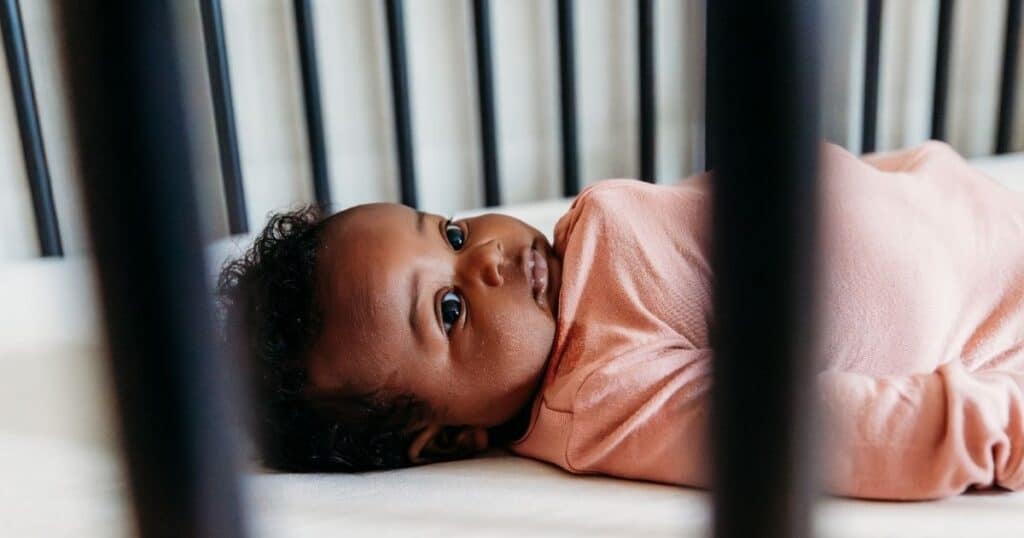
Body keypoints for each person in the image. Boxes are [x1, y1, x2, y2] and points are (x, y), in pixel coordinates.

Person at [218, 141, 1024, 500]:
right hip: (993, 323)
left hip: (948, 203)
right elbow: (796, 429)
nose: (489, 259)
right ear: (453, 438)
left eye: (454, 232)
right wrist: (986, 428)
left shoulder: (572, 251)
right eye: (451, 309)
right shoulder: (599, 393)